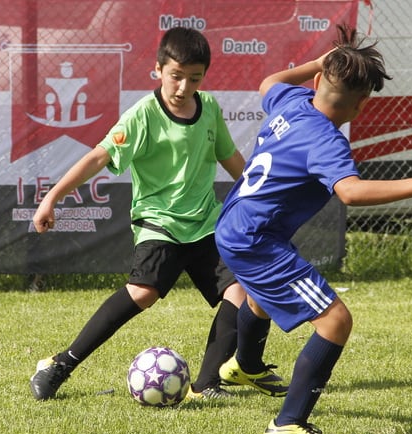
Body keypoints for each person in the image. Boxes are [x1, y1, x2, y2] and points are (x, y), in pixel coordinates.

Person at [215, 24, 412, 434]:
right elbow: (350, 192)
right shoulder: (326, 140)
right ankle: (287, 425)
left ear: (317, 82)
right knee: (335, 321)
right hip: (255, 239)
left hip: (235, 225)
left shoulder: (294, 101)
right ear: (360, 106)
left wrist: (321, 62)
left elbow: (270, 81)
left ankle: (245, 365)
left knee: (262, 296)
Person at [30, 27, 288, 401]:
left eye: (194, 78)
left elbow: (230, 158)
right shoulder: (143, 115)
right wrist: (52, 197)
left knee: (240, 289)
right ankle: (60, 365)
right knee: (143, 291)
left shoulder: (210, 108)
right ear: (158, 70)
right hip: (160, 223)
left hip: (205, 224)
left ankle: (207, 383)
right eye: (176, 76)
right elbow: (98, 157)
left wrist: (260, 195)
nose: (184, 87)